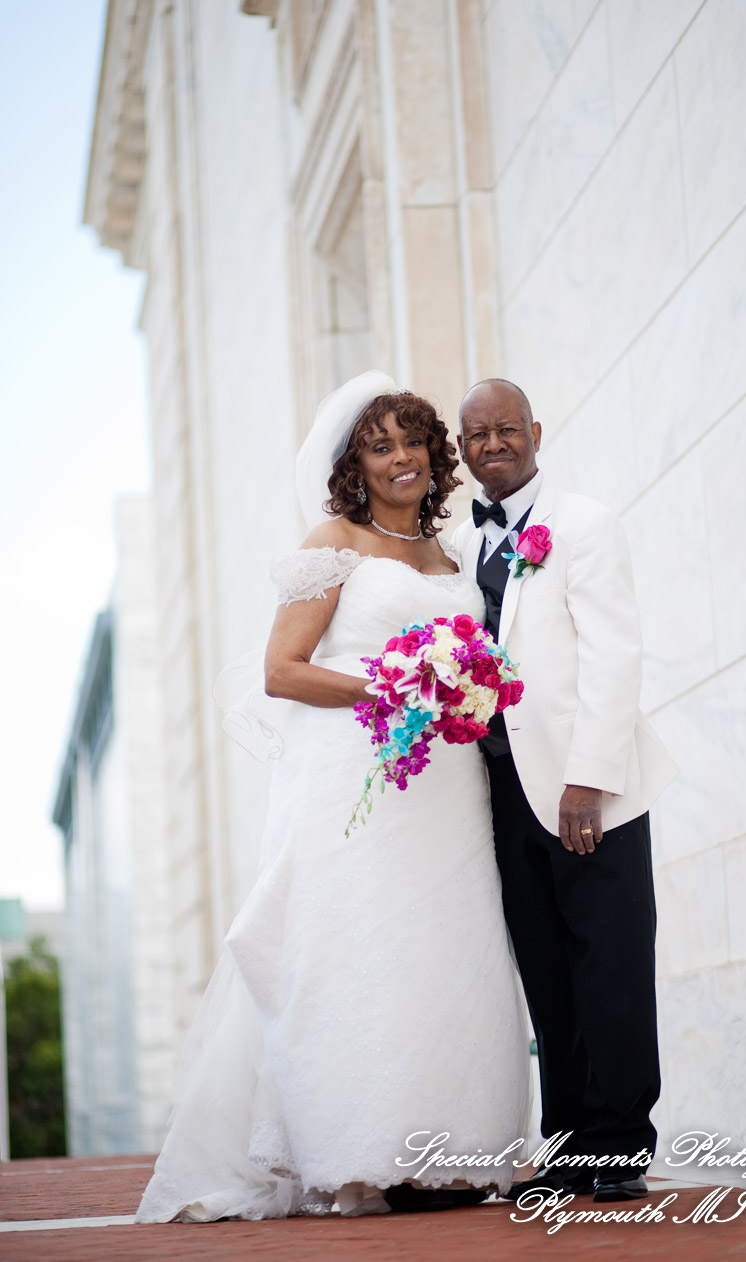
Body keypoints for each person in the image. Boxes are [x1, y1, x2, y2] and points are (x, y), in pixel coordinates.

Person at [136, 371, 530, 1222]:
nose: (401, 458)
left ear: (434, 453)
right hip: (357, 780)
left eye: (412, 441)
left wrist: (464, 686)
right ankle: (370, 1150)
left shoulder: (452, 555)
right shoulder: (334, 544)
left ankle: (458, 1153)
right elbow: (282, 671)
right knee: (364, 951)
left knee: (449, 951)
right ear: (355, 465)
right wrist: (393, 685)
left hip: (446, 790)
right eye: (379, 447)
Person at [453, 378, 678, 1204]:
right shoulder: (461, 547)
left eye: (507, 429)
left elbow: (615, 654)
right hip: (502, 790)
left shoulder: (584, 524)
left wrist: (588, 780)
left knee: (610, 963)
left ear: (535, 433)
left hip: (586, 787)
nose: (493, 445)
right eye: (477, 435)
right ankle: (574, 1144)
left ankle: (620, 1145)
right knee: (547, 973)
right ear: (463, 449)